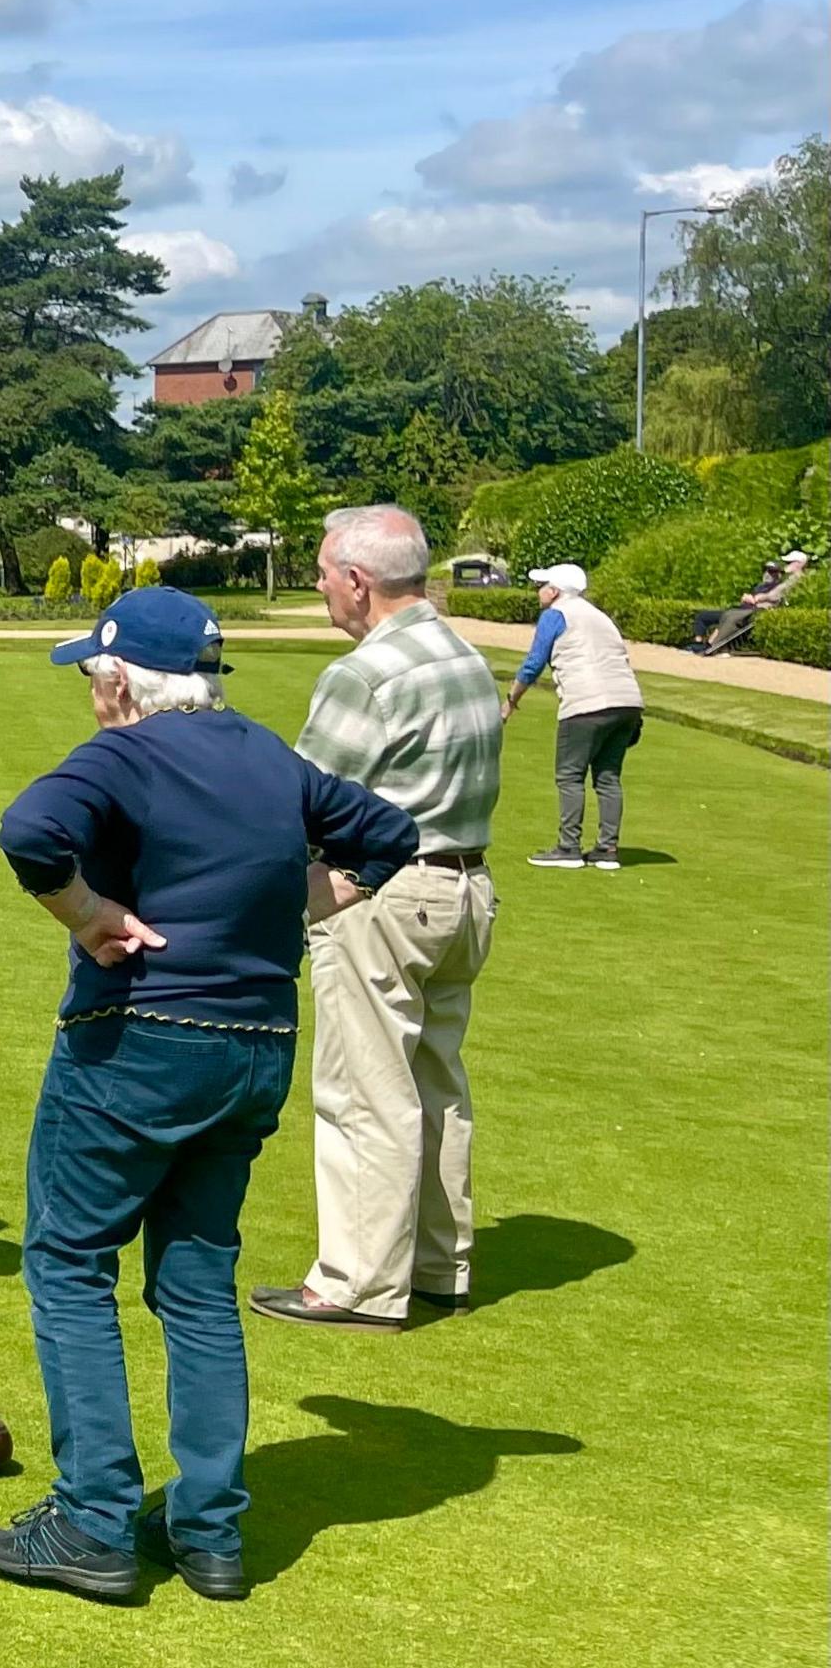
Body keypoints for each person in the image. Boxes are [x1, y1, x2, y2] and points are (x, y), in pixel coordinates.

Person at [0, 587, 420, 1604]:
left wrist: (89, 915)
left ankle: (91, 1519)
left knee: (71, 1260)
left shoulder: (124, 752)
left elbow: (29, 831)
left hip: (138, 1041)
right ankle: (210, 1530)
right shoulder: (269, 754)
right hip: (254, 1048)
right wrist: (290, 901)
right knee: (198, 1279)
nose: (90, 690)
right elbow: (386, 837)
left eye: (93, 673)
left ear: (121, 677)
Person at [250, 504, 505, 1336]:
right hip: (466, 885)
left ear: (358, 582)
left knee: (365, 1088)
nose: (319, 584)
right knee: (437, 1081)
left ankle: (358, 1280)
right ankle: (440, 1263)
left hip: (385, 892)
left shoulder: (365, 673)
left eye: (323, 571)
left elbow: (301, 798)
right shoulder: (464, 653)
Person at [505, 561, 644, 870]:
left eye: (542, 586)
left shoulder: (555, 614)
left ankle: (568, 847)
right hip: (628, 703)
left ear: (554, 591)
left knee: (570, 775)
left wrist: (510, 700)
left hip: (585, 703)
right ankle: (607, 850)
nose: (538, 591)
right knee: (608, 778)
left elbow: (533, 663)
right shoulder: (601, 617)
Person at [687, 549, 808, 655]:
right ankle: (700, 644)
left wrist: (758, 598)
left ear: (799, 564)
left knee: (730, 616)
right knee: (710, 615)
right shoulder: (782, 578)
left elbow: (775, 595)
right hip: (749, 606)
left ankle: (711, 646)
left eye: (789, 562)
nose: (786, 565)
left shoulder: (797, 579)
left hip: (760, 609)